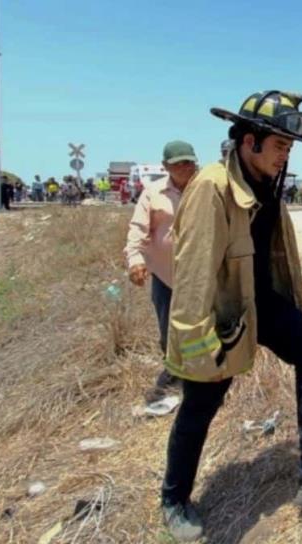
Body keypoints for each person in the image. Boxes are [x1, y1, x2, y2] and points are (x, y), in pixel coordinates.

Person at [159, 90, 302, 540]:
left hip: (256, 301)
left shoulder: (264, 183)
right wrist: (203, 353)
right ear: (249, 141)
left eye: (289, 148)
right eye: (279, 146)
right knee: (202, 404)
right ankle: (174, 499)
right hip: (221, 312)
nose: (285, 156)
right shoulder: (211, 187)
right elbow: (194, 276)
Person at [125, 141, 198, 402]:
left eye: (189, 162)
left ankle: (200, 383)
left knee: (203, 331)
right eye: (179, 163)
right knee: (169, 332)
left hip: (201, 278)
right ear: (166, 166)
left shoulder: (206, 189)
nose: (186, 167)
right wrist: (135, 260)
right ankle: (174, 376)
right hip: (166, 277)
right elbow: (138, 230)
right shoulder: (153, 193)